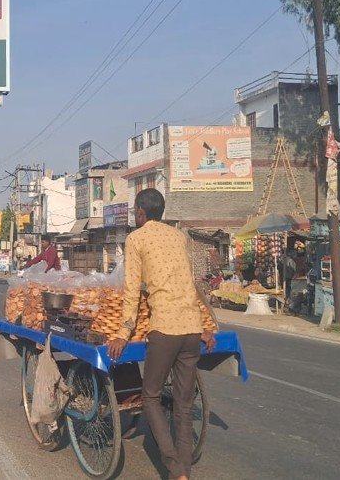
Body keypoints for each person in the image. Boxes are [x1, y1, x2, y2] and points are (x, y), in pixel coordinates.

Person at [107, 189, 218, 480]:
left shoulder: (136, 238)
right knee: (183, 405)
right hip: (192, 329)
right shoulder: (179, 236)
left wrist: (123, 332)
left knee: (151, 396)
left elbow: (132, 290)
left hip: (165, 329)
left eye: (135, 211)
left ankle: (174, 467)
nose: (134, 215)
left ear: (141, 213)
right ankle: (184, 472)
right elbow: (188, 284)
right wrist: (207, 325)